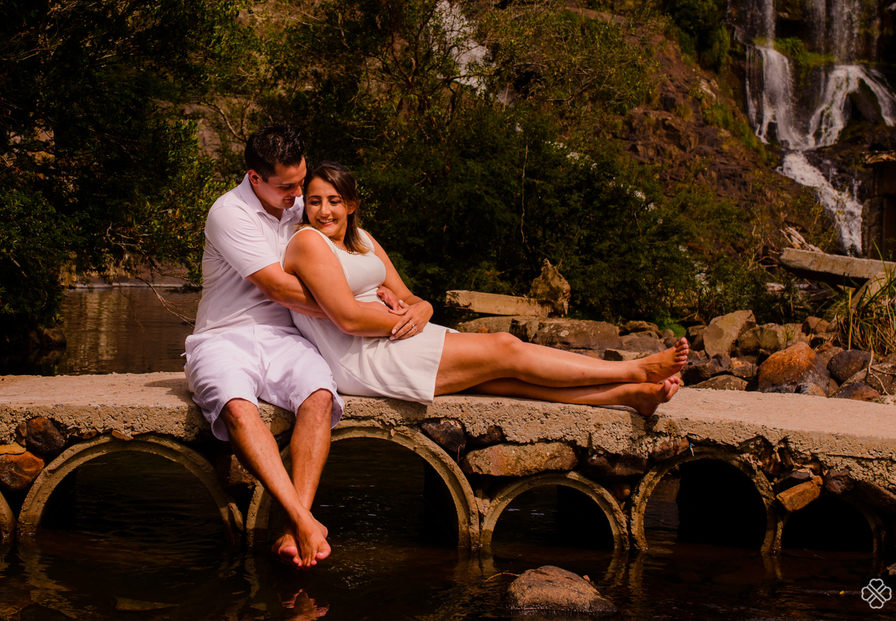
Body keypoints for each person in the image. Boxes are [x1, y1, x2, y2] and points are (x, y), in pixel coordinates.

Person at [283, 161, 688, 414]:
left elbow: (411, 298)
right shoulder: (308, 242)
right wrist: (401, 316)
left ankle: (629, 395)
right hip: (362, 355)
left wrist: (420, 310)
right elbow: (349, 319)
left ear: (351, 205)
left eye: (334, 201)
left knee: (509, 382)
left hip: (399, 334)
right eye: (315, 201)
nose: (324, 211)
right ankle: (635, 368)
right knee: (504, 347)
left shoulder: (363, 240)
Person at [184, 124, 351, 569]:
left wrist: (388, 296)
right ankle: (303, 521)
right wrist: (350, 312)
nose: (299, 195)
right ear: (255, 178)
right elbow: (278, 288)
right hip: (222, 337)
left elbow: (351, 255)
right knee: (238, 407)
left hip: (285, 338)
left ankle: (291, 527)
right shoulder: (228, 212)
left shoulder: (299, 206)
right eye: (287, 187)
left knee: (318, 398)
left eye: (301, 182)